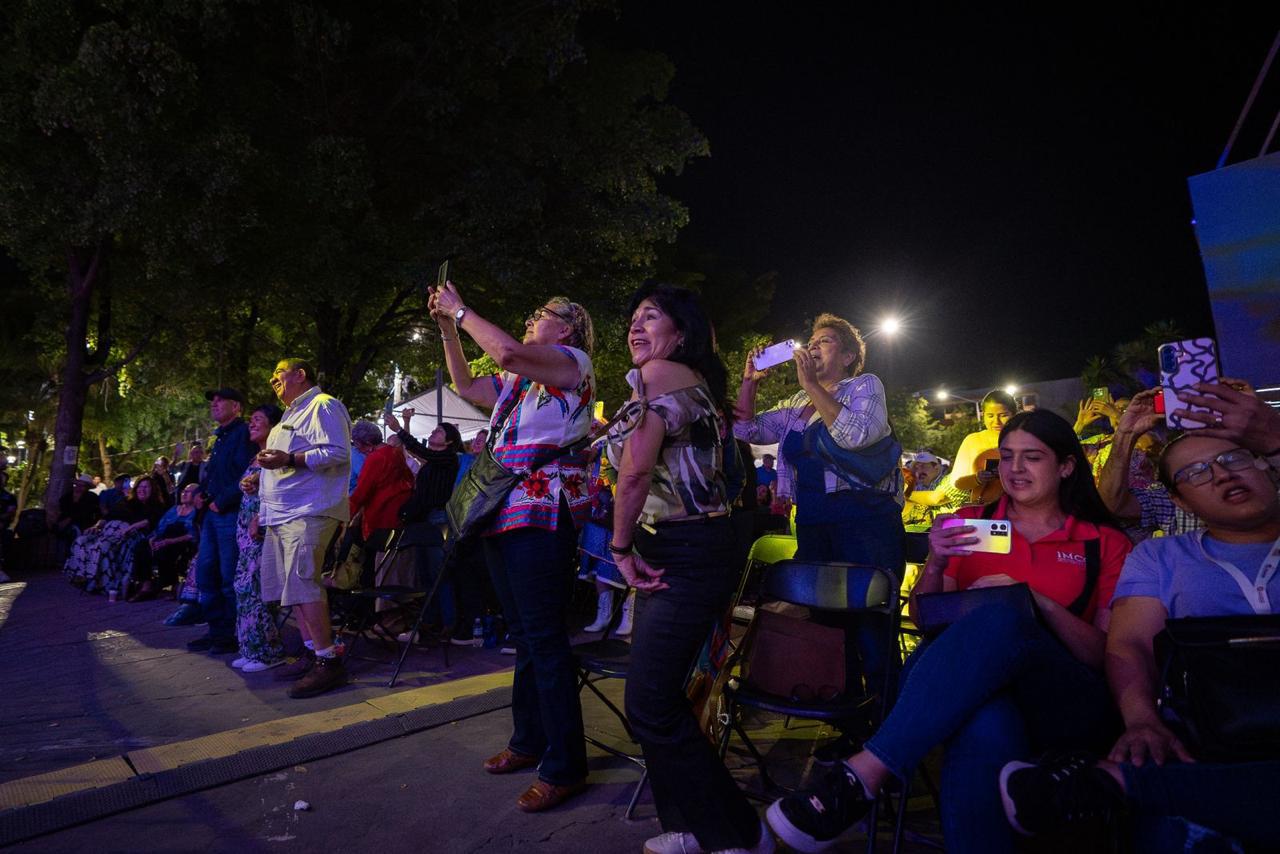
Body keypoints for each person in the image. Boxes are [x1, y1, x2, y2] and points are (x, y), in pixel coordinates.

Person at [767, 409, 1132, 853]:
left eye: (1032, 457)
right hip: (970, 687)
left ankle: (864, 773)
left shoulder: (1103, 541)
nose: (1015, 470)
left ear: (1067, 465)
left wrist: (1033, 602)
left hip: (1061, 695)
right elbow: (926, 619)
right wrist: (937, 562)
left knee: (1002, 615)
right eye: (1007, 457)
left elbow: (1101, 656)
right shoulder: (973, 524)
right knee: (985, 718)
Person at [1000, 387, 1280, 849]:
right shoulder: (1159, 556)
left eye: (1235, 460)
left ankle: (1116, 786)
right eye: (1195, 472)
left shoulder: (1110, 548)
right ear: (1180, 503)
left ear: (1268, 466)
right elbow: (1127, 644)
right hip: (1211, 729)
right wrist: (1140, 719)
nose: (1220, 475)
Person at [602, 284, 771, 854]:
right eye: (633, 316)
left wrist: (620, 549)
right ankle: (692, 826)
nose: (636, 324)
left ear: (681, 333)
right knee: (660, 696)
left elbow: (634, 473)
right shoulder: (689, 383)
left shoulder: (660, 376)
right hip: (686, 546)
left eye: (652, 316)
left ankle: (739, 834)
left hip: (686, 549)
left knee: (649, 702)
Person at [429, 280, 595, 813]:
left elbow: (505, 349)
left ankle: (567, 765)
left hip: (545, 516)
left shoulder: (572, 362)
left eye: (539, 312)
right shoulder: (519, 382)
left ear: (565, 327)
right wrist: (448, 330)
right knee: (524, 636)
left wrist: (463, 309)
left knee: (545, 641)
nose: (529, 319)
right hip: (504, 513)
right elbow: (465, 383)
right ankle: (529, 742)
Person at [733, 313, 903, 735]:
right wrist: (750, 381)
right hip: (814, 523)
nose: (813, 347)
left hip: (864, 523)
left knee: (871, 626)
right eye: (812, 340)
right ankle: (849, 729)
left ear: (847, 356)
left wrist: (812, 385)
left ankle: (890, 735)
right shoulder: (794, 404)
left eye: (825, 342)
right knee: (830, 626)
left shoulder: (866, 386)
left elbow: (852, 435)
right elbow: (745, 427)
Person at [257, 358, 352, 699]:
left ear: (300, 374)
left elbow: (338, 452)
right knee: (290, 588)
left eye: (279, 373)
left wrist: (288, 461)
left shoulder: (322, 405)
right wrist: (261, 477)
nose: (274, 380)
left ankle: (329, 662)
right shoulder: (288, 416)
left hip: (309, 510)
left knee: (303, 582)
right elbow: (288, 460)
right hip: (282, 514)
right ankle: (313, 653)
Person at [385, 410, 471, 642]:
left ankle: (447, 623)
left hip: (438, 521)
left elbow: (420, 450)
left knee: (437, 575)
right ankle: (430, 622)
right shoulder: (433, 460)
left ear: (450, 441)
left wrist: (400, 429)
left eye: (440, 431)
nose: (434, 431)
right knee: (425, 576)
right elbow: (415, 451)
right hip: (424, 521)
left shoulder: (449, 458)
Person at [187, 388, 258, 657]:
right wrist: (201, 494)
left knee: (228, 576)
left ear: (236, 407)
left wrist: (223, 500)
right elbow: (216, 474)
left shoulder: (242, 435)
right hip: (212, 515)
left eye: (220, 401)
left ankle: (233, 634)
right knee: (206, 574)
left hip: (228, 514)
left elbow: (246, 473)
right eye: (212, 403)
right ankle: (217, 630)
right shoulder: (220, 437)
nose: (214, 405)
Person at [230, 404, 287, 673]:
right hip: (245, 533)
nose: (251, 424)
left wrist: (260, 518)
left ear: (273, 425)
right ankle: (249, 647)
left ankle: (268, 651)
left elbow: (280, 492)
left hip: (263, 530)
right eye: (250, 420)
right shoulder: (255, 457)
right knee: (243, 589)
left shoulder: (276, 457)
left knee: (257, 590)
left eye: (257, 419)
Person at [66, 475, 168, 594]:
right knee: (81, 541)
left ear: (153, 490)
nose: (142, 489)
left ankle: (94, 580)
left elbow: (149, 521)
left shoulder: (157, 506)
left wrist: (129, 528)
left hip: (131, 534)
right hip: (109, 530)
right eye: (140, 486)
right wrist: (97, 526)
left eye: (146, 487)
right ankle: (81, 575)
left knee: (102, 546)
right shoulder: (127, 501)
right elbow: (108, 516)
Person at [348, 419, 414, 586]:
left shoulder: (375, 458)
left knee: (375, 566)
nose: (357, 449)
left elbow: (361, 492)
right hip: (398, 514)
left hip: (380, 517)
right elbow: (409, 479)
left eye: (357, 445)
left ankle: (378, 607)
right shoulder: (394, 452)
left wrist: (346, 516)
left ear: (367, 443)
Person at [127, 482, 200, 601]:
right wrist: (153, 538)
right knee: (142, 546)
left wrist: (169, 541)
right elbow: (161, 526)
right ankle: (146, 586)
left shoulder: (196, 512)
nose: (184, 494)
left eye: (188, 492)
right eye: (183, 491)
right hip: (164, 538)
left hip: (181, 542)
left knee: (166, 549)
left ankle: (171, 584)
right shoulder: (173, 509)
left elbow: (193, 535)